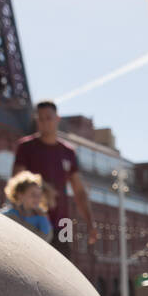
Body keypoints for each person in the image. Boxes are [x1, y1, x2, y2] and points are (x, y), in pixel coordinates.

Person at [10, 99, 97, 257]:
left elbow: (79, 191)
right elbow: (17, 183)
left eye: (48, 118)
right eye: (40, 119)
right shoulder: (25, 147)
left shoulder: (68, 152)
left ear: (57, 119)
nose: (44, 123)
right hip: (33, 221)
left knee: (66, 269)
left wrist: (90, 222)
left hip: (63, 223)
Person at [1, 170, 54, 241]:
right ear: (20, 195)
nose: (37, 198)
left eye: (39, 195)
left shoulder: (40, 216)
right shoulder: (9, 216)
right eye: (33, 195)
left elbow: (47, 237)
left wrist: (43, 216)